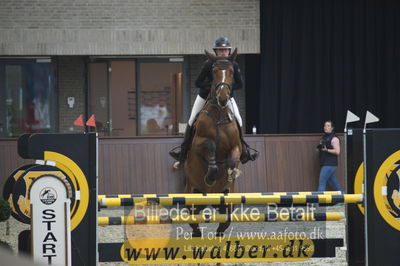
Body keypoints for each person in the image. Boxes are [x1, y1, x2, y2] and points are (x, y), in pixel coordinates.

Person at [170, 37, 259, 168]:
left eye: (225, 50)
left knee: (239, 119)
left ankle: (245, 150)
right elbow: (198, 82)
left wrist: (226, 89)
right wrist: (212, 87)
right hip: (205, 97)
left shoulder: (234, 65)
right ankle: (182, 154)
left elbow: (240, 84)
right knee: (191, 119)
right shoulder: (208, 64)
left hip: (226, 97)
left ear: (229, 52)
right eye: (220, 50)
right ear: (216, 52)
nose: (223, 52)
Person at [317, 120, 343, 192]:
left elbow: (337, 152)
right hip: (324, 162)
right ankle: (342, 199)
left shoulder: (334, 139)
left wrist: (327, 150)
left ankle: (318, 202)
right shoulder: (323, 138)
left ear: (332, 128)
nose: (326, 127)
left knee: (322, 182)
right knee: (334, 183)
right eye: (325, 125)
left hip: (330, 163)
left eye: (328, 126)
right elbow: (321, 148)